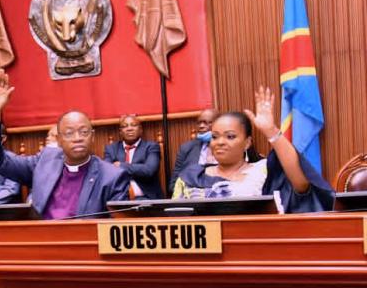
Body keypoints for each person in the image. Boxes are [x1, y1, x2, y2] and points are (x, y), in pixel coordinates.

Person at [0, 69, 129, 219]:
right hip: (41, 238)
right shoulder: (44, 161)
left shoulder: (112, 176)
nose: (78, 138)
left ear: (92, 137)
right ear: (59, 140)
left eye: (84, 132)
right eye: (69, 133)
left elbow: (115, 231)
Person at [172, 86, 333, 213]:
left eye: (230, 136)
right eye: (215, 136)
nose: (219, 142)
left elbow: (301, 184)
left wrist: (270, 131)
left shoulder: (262, 171)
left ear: (247, 143)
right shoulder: (191, 176)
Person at [103, 115, 162, 199]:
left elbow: (149, 170)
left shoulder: (151, 147)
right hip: (119, 198)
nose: (129, 128)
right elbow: (107, 171)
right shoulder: (111, 149)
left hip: (145, 198)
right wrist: (138, 169)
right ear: (120, 132)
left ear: (141, 130)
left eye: (133, 125)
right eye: (124, 126)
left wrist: (121, 165)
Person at [169, 109, 219, 193]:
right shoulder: (186, 148)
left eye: (206, 122)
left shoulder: (228, 147)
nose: (201, 126)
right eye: (199, 123)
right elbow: (173, 185)